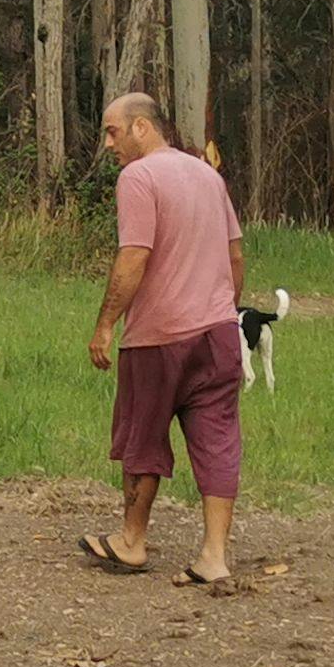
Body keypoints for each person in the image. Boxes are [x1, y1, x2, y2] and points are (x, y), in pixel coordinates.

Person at [78, 91, 247, 587]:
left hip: (157, 338)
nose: (108, 143)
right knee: (218, 439)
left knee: (142, 435)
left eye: (113, 131)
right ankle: (214, 557)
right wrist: (225, 308)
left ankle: (132, 541)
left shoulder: (138, 177)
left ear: (142, 128)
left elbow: (134, 256)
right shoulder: (207, 175)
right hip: (217, 334)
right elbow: (236, 254)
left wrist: (107, 323)